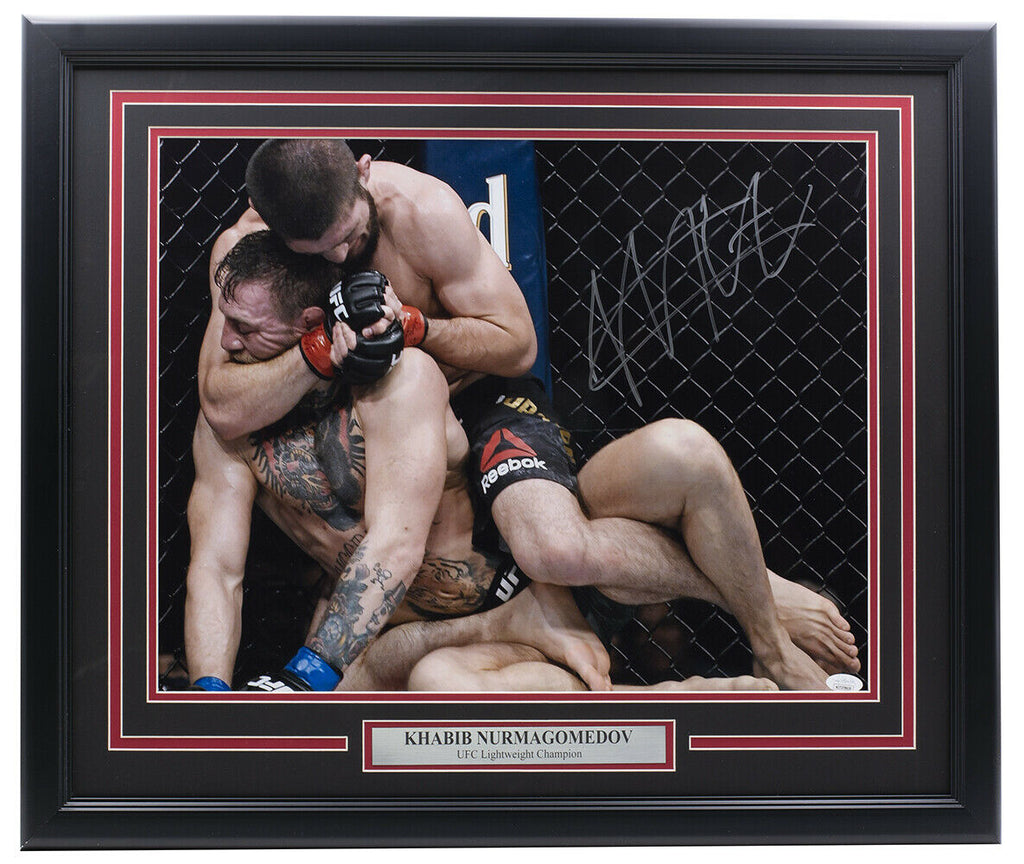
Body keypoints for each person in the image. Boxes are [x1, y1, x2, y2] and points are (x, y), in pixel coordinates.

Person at [186, 231, 859, 692]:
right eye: (223, 322)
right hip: (446, 638)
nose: (225, 344)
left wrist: (306, 677)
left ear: (312, 324)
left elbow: (394, 546)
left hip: (531, 574)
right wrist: (210, 697)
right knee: (432, 683)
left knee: (661, 465)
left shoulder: (392, 381)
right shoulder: (229, 424)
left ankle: (761, 613)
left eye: (244, 328)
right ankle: (712, 690)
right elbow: (216, 568)